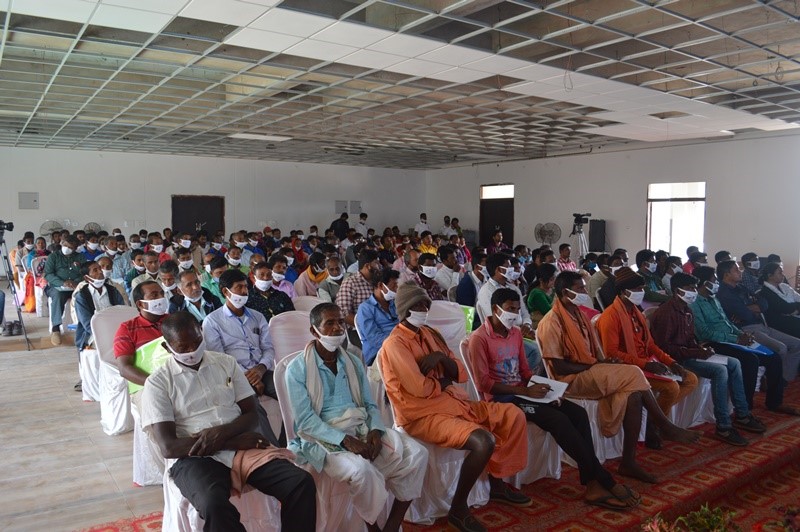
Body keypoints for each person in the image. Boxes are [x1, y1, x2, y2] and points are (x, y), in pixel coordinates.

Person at [141, 312, 316, 532]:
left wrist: (223, 435)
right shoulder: (158, 383)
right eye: (183, 347)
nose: (192, 351)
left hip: (243, 448)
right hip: (194, 457)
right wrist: (231, 441)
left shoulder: (226, 363)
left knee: (300, 482)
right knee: (214, 505)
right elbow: (169, 447)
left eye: (196, 342)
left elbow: (252, 413)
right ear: (168, 348)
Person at [469, 288, 640, 511]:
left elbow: (525, 371)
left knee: (577, 413)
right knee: (556, 420)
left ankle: (592, 484)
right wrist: (525, 391)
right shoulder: (479, 339)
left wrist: (548, 390)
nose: (515, 314)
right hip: (503, 400)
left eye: (517, 309)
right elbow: (484, 384)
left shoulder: (515, 334)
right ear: (495, 309)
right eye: (510, 309)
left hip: (523, 392)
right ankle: (603, 479)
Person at [379, 282, 532, 532]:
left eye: (426, 304)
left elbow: (459, 371)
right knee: (484, 441)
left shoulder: (430, 333)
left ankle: (497, 485)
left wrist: (440, 361)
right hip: (422, 415)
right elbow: (420, 390)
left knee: (513, 414)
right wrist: (442, 379)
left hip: (454, 402)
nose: (424, 309)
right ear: (405, 309)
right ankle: (459, 509)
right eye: (417, 305)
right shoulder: (395, 344)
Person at [537, 271, 700, 484]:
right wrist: (597, 364)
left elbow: (602, 353)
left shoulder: (578, 314)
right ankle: (662, 423)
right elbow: (558, 365)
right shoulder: (552, 321)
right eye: (580, 289)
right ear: (564, 292)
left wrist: (603, 363)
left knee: (633, 394)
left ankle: (628, 462)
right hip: (570, 379)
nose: (585, 292)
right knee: (633, 372)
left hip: (592, 370)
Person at [285, 303, 426, 532]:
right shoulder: (297, 368)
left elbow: (369, 404)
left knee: (418, 454)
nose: (337, 328)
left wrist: (375, 431)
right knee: (362, 471)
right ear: (314, 331)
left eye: (340, 322)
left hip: (360, 427)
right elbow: (306, 421)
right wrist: (345, 440)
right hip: (323, 437)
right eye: (329, 323)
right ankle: (373, 528)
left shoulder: (352, 361)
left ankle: (392, 525)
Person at [650, 273, 777, 445]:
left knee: (734, 363)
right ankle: (723, 426)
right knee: (720, 370)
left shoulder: (687, 309)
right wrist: (695, 352)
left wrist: (700, 348)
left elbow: (689, 340)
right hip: (676, 360)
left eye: (694, 288)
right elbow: (665, 348)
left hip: (689, 353)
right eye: (689, 289)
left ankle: (742, 414)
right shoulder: (666, 313)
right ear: (675, 290)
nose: (694, 292)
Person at [595, 267, 698, 448]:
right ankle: (657, 426)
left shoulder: (636, 312)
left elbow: (650, 345)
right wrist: (646, 365)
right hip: (629, 368)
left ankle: (652, 422)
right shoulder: (610, 316)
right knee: (672, 388)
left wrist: (671, 362)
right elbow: (612, 354)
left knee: (690, 379)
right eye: (636, 289)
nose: (640, 293)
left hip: (647, 363)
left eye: (641, 288)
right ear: (623, 292)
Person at [203, 268, 283, 444]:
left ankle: (289, 441)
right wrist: (249, 376)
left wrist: (260, 370)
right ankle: (274, 449)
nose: (245, 292)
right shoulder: (212, 321)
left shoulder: (257, 316)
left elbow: (269, 348)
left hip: (262, 370)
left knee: (289, 391)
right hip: (233, 375)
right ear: (226, 292)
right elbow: (219, 357)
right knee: (253, 406)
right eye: (239, 287)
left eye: (246, 287)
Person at [688, 266, 772, 432]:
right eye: (714, 280)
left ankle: (745, 409)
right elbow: (704, 332)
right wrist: (736, 339)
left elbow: (727, 323)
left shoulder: (714, 299)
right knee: (748, 360)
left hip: (729, 339)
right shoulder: (695, 303)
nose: (717, 283)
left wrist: (741, 334)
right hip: (711, 343)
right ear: (704, 283)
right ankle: (743, 410)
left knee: (763, 356)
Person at [716, 260, 800, 385]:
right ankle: (775, 382)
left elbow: (763, 303)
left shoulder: (740, 287)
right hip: (745, 329)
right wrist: (751, 308)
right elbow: (746, 314)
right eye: (736, 270)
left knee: (797, 344)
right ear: (726, 274)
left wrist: (749, 307)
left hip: (761, 325)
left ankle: (784, 379)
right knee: (781, 348)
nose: (740, 272)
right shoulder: (724, 293)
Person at [73, 260, 126, 391]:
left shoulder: (113, 291)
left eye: (100, 269)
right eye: (95, 270)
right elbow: (87, 324)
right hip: (93, 335)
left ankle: (121, 381)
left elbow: (122, 312)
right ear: (87, 277)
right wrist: (106, 336)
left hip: (116, 331)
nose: (100, 272)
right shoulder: (81, 296)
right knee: (104, 348)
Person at [44, 235, 85, 346]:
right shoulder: (53, 257)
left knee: (85, 294)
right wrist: (62, 283)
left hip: (75, 286)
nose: (67, 248)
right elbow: (47, 274)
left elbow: (84, 272)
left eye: (71, 247)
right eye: (65, 245)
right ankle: (56, 328)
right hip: (57, 286)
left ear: (76, 248)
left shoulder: (80, 257)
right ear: (62, 243)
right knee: (58, 295)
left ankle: (84, 325)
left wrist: (75, 282)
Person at [356, 269, 399, 366]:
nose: (397, 289)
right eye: (394, 285)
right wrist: (400, 343)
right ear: (380, 286)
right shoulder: (365, 309)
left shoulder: (395, 303)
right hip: (377, 353)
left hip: (400, 345)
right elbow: (375, 339)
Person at [336, 249, 380, 339]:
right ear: (368, 266)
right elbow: (344, 313)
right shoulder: (350, 283)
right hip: (358, 331)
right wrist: (368, 327)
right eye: (376, 263)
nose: (379, 266)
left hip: (380, 326)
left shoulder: (378, 281)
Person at [760, 262, 800, 342]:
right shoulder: (765, 292)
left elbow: (798, 299)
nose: (783, 275)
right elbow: (786, 309)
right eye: (780, 272)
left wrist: (796, 309)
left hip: (793, 318)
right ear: (770, 276)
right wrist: (794, 309)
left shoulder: (785, 286)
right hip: (781, 324)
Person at [526, 263, 557, 328]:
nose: (554, 281)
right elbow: (550, 313)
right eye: (551, 279)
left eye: (555, 278)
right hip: (541, 325)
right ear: (541, 280)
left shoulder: (552, 289)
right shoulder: (537, 294)